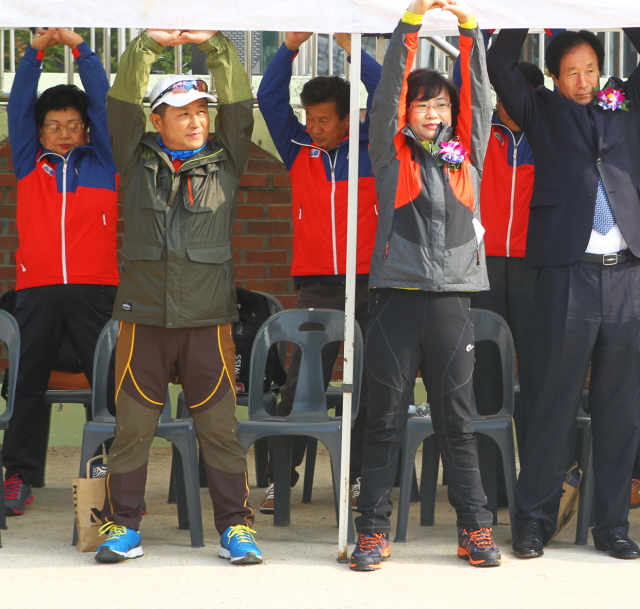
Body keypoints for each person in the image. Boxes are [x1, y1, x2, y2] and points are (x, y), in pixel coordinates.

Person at [489, 23, 640, 560]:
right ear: (554, 76)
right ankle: (533, 521)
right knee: (553, 399)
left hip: (626, 274)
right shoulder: (541, 111)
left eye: (590, 69)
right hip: (567, 270)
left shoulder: (626, 100)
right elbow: (500, 63)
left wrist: (620, 1)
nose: (583, 80)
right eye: (571, 71)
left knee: (620, 405)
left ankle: (611, 525)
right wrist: (531, 0)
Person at [96, 29, 261, 565]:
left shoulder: (226, 159)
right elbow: (120, 104)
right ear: (158, 120)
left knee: (219, 429)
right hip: (142, 317)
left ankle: (236, 529)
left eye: (200, 112)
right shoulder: (133, 156)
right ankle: (123, 528)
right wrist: (148, 45)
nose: (196, 121)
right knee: (133, 428)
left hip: (208, 318)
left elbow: (239, 105)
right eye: (182, 112)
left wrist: (217, 46)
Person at [350, 0, 499, 571]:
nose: (432, 114)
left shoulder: (471, 155)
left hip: (453, 300)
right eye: (423, 105)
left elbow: (479, 100)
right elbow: (387, 92)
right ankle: (372, 532)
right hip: (396, 297)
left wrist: (469, 31)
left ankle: (476, 529)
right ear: (408, 114)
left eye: (440, 105)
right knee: (383, 419)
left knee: (456, 422)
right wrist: (411, 21)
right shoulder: (392, 153)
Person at [255, 31, 380, 514]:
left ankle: (358, 479)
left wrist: (354, 49)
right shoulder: (298, 148)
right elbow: (269, 97)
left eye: (324, 119)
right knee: (300, 382)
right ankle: (279, 481)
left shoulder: (376, 148)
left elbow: (396, 91)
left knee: (368, 384)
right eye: (309, 117)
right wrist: (286, 48)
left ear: (349, 117)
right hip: (316, 282)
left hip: (371, 279)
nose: (315, 126)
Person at [3, 28, 118, 515]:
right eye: (55, 124)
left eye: (74, 124)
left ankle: (107, 476)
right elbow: (17, 107)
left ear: (87, 128)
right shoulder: (30, 163)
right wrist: (34, 52)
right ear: (41, 131)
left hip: (96, 289)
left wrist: (80, 49)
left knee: (108, 384)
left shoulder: (104, 162)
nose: (65, 131)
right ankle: (18, 477)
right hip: (39, 289)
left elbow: (106, 105)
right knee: (26, 383)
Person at [473, 60, 540, 444]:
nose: (507, 107)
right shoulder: (479, 134)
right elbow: (464, 84)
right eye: (502, 98)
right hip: (486, 264)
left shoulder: (550, 135)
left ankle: (536, 478)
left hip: (535, 265)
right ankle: (490, 480)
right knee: (486, 368)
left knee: (536, 368)